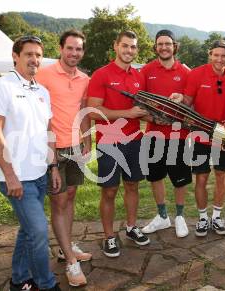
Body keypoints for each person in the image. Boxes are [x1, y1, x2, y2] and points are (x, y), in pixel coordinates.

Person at [0, 36, 62, 291]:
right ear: (15, 56)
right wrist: (10, 176)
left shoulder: (42, 91)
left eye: (38, 55)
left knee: (29, 230)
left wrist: (53, 166)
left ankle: (19, 279)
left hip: (40, 173)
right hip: (17, 177)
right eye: (29, 54)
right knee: (39, 232)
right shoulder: (0, 86)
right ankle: (46, 284)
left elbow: (48, 131)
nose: (35, 60)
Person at [87, 31, 150, 258]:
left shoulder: (138, 76)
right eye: (125, 46)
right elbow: (94, 111)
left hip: (134, 140)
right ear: (115, 46)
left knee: (133, 186)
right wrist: (129, 113)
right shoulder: (101, 74)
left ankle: (132, 228)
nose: (129, 51)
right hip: (109, 142)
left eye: (133, 47)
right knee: (110, 191)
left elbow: (143, 109)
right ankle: (109, 237)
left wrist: (160, 113)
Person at [36, 29, 91, 287]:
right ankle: (70, 261)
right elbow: (40, 117)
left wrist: (88, 140)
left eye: (79, 49)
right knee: (58, 203)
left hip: (75, 146)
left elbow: (84, 111)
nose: (74, 53)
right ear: (60, 48)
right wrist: (51, 160)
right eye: (70, 48)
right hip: (53, 149)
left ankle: (64, 246)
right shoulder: (44, 74)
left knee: (70, 198)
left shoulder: (84, 78)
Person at [140, 30, 192, 238]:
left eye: (168, 44)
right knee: (156, 176)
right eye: (160, 44)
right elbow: (139, 102)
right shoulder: (146, 70)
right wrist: (152, 118)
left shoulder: (186, 71)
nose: (164, 47)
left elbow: (192, 102)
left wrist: (183, 102)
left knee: (180, 179)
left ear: (174, 46)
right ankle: (162, 216)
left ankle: (179, 216)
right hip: (154, 134)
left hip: (179, 135)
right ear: (155, 47)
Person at [182, 40, 225, 237]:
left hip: (222, 133)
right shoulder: (196, 74)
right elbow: (187, 101)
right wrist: (180, 101)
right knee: (201, 177)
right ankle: (203, 218)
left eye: (224, 55)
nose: (220, 59)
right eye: (216, 54)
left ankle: (217, 217)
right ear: (210, 54)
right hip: (200, 132)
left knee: (221, 174)